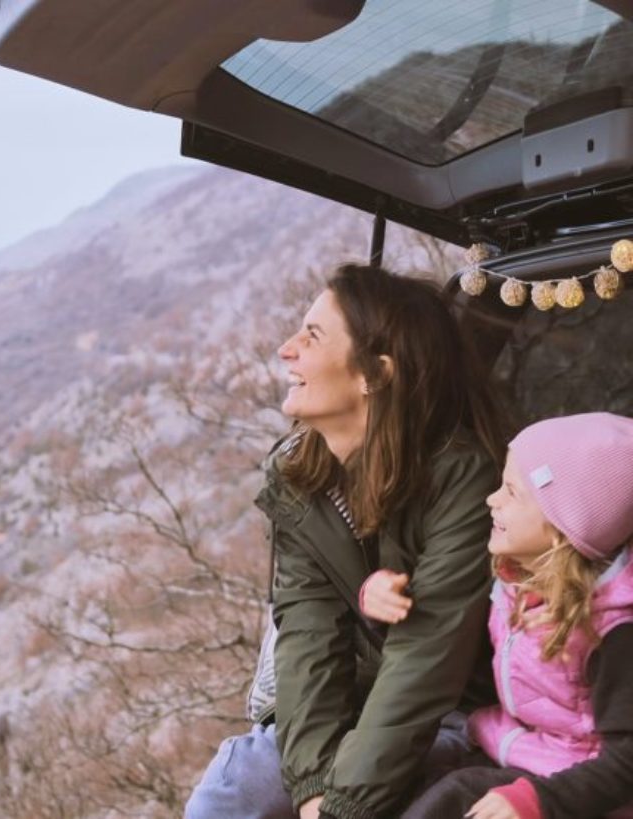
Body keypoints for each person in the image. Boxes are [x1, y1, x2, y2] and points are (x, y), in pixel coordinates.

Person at [185, 264, 504, 819]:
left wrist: (343, 807)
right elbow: (307, 637)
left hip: (446, 713)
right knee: (228, 798)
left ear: (375, 374)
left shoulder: (461, 478)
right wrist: (312, 787)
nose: (287, 349)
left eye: (312, 336)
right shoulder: (298, 477)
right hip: (346, 706)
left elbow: (425, 660)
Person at [389, 413, 633, 819]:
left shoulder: (614, 632)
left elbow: (627, 763)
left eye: (511, 492)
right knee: (413, 777)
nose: (492, 499)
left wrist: (539, 801)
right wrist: (387, 603)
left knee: (455, 795)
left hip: (576, 786)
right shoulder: (515, 584)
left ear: (561, 527)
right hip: (519, 746)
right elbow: (457, 654)